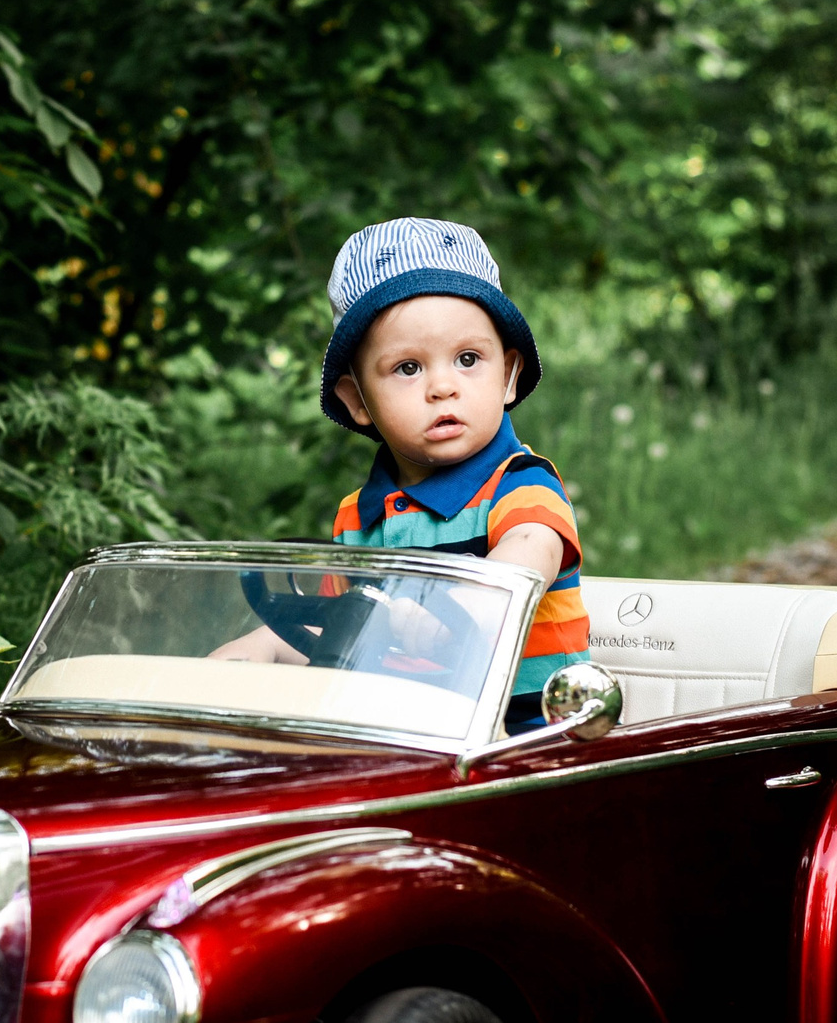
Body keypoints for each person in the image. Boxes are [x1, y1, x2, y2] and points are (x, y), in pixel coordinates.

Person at [212, 217, 591, 730]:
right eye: (408, 368)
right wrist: (260, 648)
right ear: (357, 400)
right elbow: (333, 635)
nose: (442, 386)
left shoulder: (521, 488)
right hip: (403, 736)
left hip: (527, 738)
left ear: (508, 376)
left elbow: (524, 562)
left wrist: (454, 607)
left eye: (467, 359)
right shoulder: (357, 520)